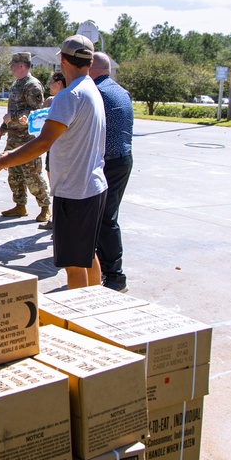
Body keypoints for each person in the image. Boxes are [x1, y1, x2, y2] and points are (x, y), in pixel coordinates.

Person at [0, 35, 107, 291]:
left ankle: (79, 319)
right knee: (88, 254)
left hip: (74, 192)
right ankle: (96, 306)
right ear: (89, 62)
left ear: (62, 60)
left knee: (74, 265)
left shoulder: (69, 96)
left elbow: (42, 143)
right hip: (93, 187)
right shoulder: (92, 89)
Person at [89, 52, 134, 292]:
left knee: (104, 218)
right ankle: (104, 271)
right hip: (123, 159)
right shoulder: (120, 90)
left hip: (108, 161)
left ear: (91, 68)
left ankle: (115, 276)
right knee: (105, 216)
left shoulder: (96, 92)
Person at [0, 52, 50, 222]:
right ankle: (20, 206)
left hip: (28, 139)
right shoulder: (17, 84)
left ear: (21, 65)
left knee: (32, 174)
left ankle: (45, 207)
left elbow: (36, 112)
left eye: (13, 64)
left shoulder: (32, 85)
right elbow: (10, 112)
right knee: (14, 174)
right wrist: (3, 129)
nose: (11, 67)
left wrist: (15, 116)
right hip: (13, 138)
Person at [37, 70, 68, 230]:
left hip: (63, 148)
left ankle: (60, 223)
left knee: (62, 185)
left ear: (59, 83)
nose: (49, 84)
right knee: (53, 184)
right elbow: (37, 122)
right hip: (51, 147)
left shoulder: (67, 100)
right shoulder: (50, 101)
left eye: (51, 82)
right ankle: (55, 220)